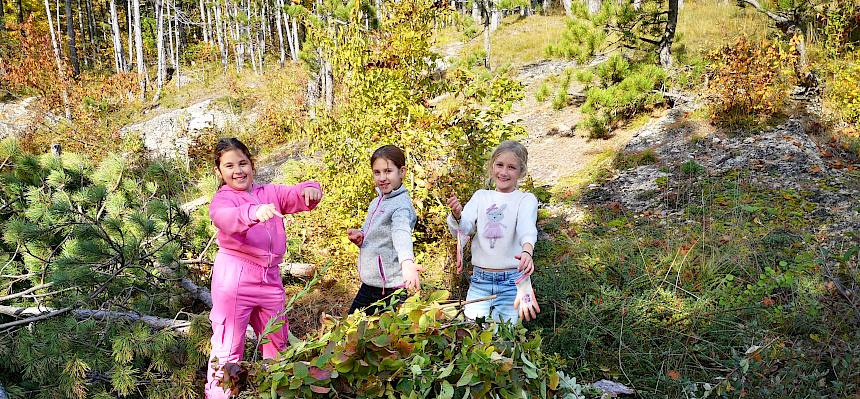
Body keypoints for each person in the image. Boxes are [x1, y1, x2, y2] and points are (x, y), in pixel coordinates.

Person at [206, 138, 323, 399]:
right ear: (219, 171)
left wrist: (311, 189)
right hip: (234, 280)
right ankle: (220, 395)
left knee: (277, 346)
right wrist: (252, 213)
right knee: (228, 350)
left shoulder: (269, 192)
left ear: (252, 164)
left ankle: (274, 392)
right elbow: (224, 218)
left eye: (243, 163)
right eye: (229, 166)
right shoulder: (222, 199)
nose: (238, 171)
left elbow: (296, 194)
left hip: (270, 279)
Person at [447, 140, 541, 324]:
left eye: (511, 167)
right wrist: (457, 216)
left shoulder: (525, 199)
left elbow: (527, 229)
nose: (504, 172)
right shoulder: (481, 196)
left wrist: (527, 252)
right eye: (499, 165)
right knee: (473, 330)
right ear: (492, 167)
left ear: (521, 171)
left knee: (505, 334)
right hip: (480, 280)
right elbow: (465, 228)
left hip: (511, 281)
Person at [346, 145, 424, 315]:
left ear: (402, 172)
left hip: (390, 288)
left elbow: (401, 233)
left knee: (386, 330)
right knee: (351, 326)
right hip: (371, 284)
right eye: (377, 172)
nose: (382, 178)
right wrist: (361, 236)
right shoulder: (377, 202)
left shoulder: (401, 206)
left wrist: (407, 263)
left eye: (388, 171)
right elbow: (377, 234)